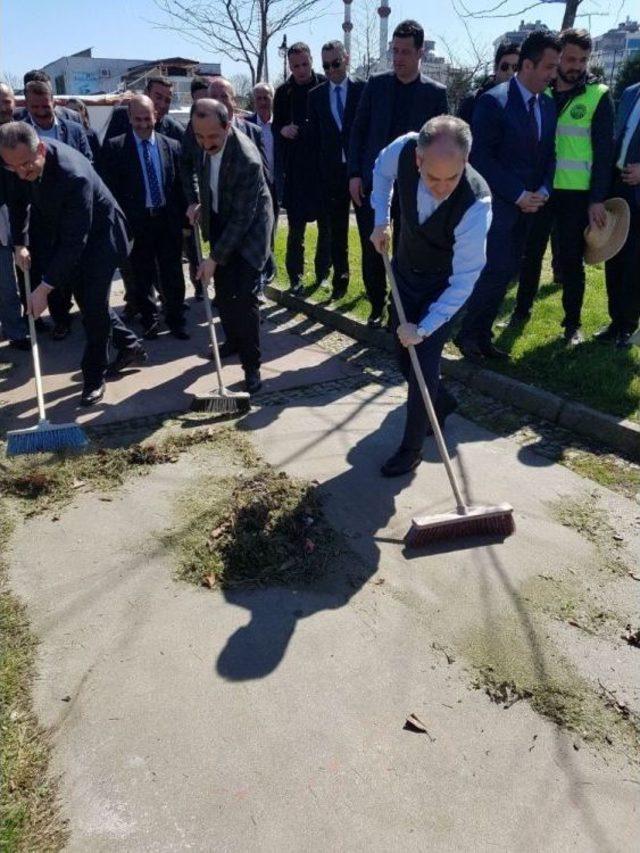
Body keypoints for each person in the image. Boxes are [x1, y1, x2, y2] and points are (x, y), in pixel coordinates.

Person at [370, 116, 492, 476]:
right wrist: (381, 219)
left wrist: (423, 329)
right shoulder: (405, 149)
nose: (441, 188)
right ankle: (441, 402)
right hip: (405, 270)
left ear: (466, 161)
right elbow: (380, 172)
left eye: (451, 178)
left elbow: (465, 282)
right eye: (432, 177)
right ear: (419, 160)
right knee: (402, 357)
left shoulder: (477, 202)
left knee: (423, 361)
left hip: (444, 286)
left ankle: (410, 450)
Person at [1, 122, 145, 407]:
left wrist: (44, 289)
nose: (21, 173)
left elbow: (74, 243)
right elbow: (17, 203)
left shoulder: (72, 175)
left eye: (27, 165)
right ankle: (130, 345)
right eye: (13, 167)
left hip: (103, 236)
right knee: (90, 299)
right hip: (69, 232)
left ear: (40, 148)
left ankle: (93, 377)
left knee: (92, 308)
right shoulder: (17, 161)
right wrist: (20, 244)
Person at [454, 30, 561, 363]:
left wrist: (543, 189)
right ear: (527, 65)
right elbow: (481, 157)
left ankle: (482, 337)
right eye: (548, 66)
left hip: (531, 207)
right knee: (494, 270)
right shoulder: (494, 101)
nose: (552, 74)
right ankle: (468, 335)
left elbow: (549, 154)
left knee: (508, 272)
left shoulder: (547, 103)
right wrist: (517, 194)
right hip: (499, 206)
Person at [510, 29, 614, 345]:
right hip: (541, 188)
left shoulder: (598, 94)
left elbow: (604, 153)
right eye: (570, 58)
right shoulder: (542, 90)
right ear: (557, 58)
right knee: (530, 254)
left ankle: (572, 325)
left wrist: (597, 198)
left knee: (571, 260)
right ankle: (520, 312)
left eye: (583, 59)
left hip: (576, 194)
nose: (576, 65)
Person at [348, 19, 449, 328]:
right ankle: (376, 303)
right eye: (395, 51)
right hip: (373, 182)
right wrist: (354, 173)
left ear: (420, 53)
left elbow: (442, 142)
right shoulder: (376, 85)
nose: (399, 58)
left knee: (407, 251)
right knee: (374, 246)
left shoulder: (435, 93)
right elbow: (358, 131)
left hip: (414, 188)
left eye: (406, 52)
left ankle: (399, 311)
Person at [188, 99, 273, 394]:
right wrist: (200, 205)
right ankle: (232, 342)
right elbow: (204, 178)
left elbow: (242, 218)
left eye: (213, 137)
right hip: (222, 218)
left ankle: (252, 368)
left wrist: (213, 258)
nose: (206, 143)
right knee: (224, 293)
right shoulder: (202, 139)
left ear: (227, 125)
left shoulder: (246, 159)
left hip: (250, 233)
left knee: (244, 300)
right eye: (200, 137)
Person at [100, 95, 189, 341]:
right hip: (137, 223)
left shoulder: (172, 146)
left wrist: (185, 221)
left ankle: (176, 318)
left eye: (146, 118)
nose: (142, 124)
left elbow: (180, 187)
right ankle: (149, 320)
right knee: (142, 274)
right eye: (137, 119)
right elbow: (110, 192)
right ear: (129, 118)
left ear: (155, 116)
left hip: (166, 221)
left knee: (172, 273)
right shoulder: (115, 148)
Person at [308, 40, 365, 300]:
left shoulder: (364, 90)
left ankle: (373, 287)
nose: (331, 70)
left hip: (361, 173)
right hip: (331, 175)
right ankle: (340, 280)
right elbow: (316, 139)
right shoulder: (316, 96)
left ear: (347, 58)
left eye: (335, 63)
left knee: (368, 231)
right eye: (326, 65)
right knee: (337, 232)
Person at [273, 42, 329, 296]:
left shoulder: (323, 85)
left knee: (325, 227)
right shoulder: (283, 92)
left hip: (320, 168)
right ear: (289, 65)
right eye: (295, 66)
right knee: (296, 230)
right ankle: (295, 276)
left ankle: (323, 274)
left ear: (311, 61)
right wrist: (283, 129)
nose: (301, 70)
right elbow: (276, 128)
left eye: (305, 64)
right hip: (296, 170)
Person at [598, 81, 640, 348]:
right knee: (613, 256)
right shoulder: (630, 92)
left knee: (635, 264)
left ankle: (627, 325)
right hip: (617, 185)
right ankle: (615, 322)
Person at [0, 85, 29, 351]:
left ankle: (28, 321)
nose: (3, 106)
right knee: (4, 281)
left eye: (6, 101)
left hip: (21, 210)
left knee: (25, 268)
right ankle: (14, 330)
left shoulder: (23, 130)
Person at [247, 82, 278, 284]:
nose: (262, 101)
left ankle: (269, 267)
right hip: (256, 186)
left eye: (266, 97)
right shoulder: (246, 125)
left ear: (272, 99)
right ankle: (258, 270)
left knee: (272, 227)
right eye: (258, 98)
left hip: (277, 184)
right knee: (258, 229)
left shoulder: (281, 124)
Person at [22, 81, 92, 161]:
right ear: (26, 106)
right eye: (35, 107)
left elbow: (87, 163)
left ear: (54, 103)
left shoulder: (76, 131)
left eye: (45, 107)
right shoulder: (19, 134)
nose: (41, 111)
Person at [103, 76, 185, 143]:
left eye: (167, 100)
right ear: (146, 93)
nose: (162, 105)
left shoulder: (173, 129)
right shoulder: (122, 117)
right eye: (158, 97)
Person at [458, 42, 520, 125]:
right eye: (504, 67)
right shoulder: (473, 101)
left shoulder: (526, 102)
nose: (510, 72)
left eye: (515, 68)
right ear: (495, 68)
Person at [14, 70, 81, 124]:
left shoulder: (72, 117)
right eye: (37, 92)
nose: (41, 112)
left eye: (47, 91)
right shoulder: (14, 120)